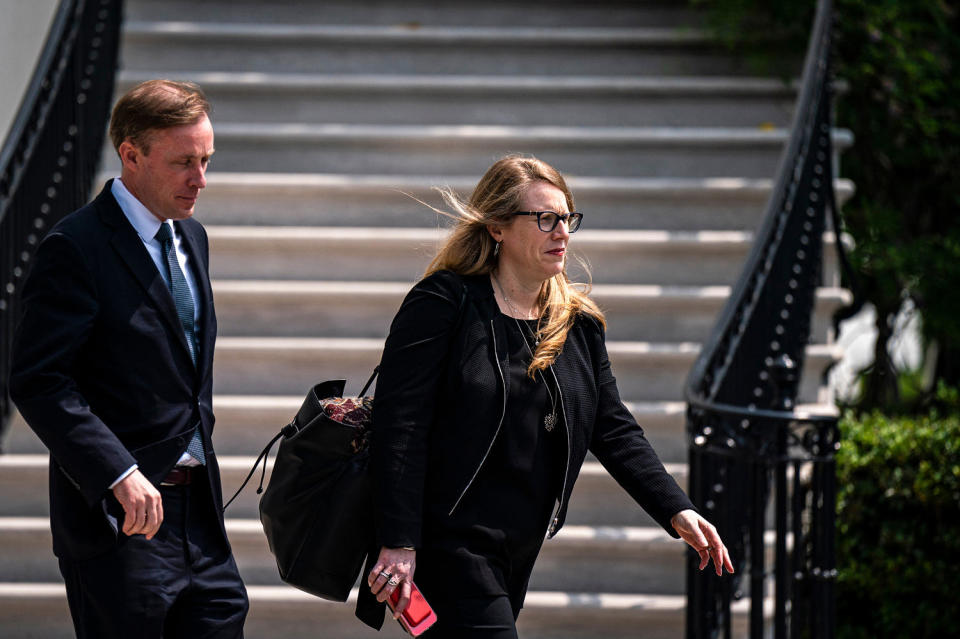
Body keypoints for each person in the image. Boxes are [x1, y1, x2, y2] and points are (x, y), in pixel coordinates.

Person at [364, 155, 734, 637]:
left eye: (567, 218)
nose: (561, 231)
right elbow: (401, 424)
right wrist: (398, 540)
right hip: (448, 539)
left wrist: (675, 508)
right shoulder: (443, 303)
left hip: (520, 543)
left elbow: (613, 426)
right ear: (497, 227)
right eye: (545, 218)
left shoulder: (576, 324)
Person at [9, 80, 248, 638]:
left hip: (201, 520)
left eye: (207, 160)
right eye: (184, 162)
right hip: (118, 523)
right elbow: (39, 381)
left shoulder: (193, 237)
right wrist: (118, 471)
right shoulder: (75, 246)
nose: (201, 179)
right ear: (131, 155)